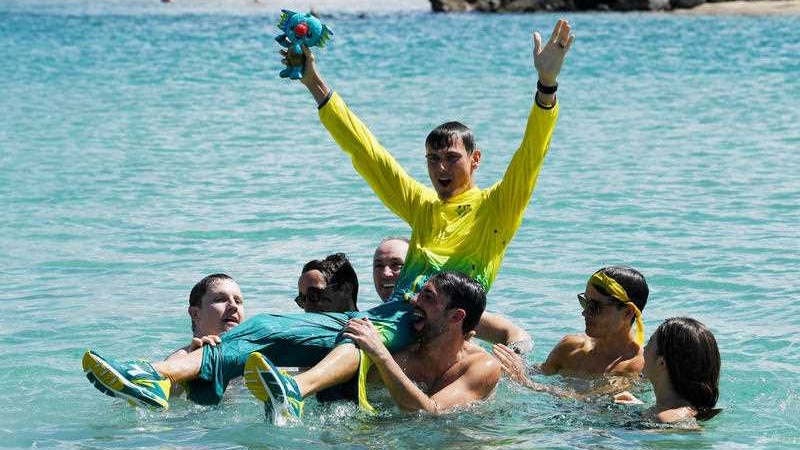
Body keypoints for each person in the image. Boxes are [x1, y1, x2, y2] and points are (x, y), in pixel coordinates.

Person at [81, 18, 573, 415]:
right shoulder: (423, 207)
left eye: (452, 158)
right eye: (432, 159)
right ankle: (158, 380)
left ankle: (298, 390)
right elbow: (369, 153)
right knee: (263, 327)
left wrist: (546, 84)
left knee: (368, 332)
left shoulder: (497, 209)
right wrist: (315, 82)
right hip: (383, 315)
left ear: (475, 159)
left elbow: (532, 153)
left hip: (417, 320)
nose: (441, 168)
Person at [245, 271, 500, 421]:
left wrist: (380, 353)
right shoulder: (404, 349)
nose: (413, 301)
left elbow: (430, 412)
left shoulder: (481, 365)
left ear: (456, 317)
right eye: (418, 293)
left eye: (428, 297)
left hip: (454, 433)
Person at [493, 266, 648, 392]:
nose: (585, 312)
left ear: (627, 312)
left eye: (595, 307)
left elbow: (589, 401)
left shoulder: (637, 366)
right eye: (585, 302)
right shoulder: (570, 348)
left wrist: (525, 382)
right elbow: (539, 372)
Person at [374, 237, 532, 354]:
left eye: (397, 265)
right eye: (378, 266)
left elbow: (518, 335)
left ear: (417, 270)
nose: (385, 273)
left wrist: (510, 358)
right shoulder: (375, 317)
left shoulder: (444, 313)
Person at [614, 317, 721, 426]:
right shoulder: (683, 411)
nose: (644, 349)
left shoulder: (665, 419)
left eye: (649, 342)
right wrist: (639, 408)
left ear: (661, 363)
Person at [166, 274, 245, 361]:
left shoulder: (253, 350)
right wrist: (194, 363)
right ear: (195, 314)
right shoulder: (178, 359)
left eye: (238, 301)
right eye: (220, 299)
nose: (234, 306)